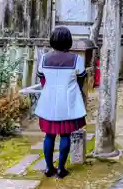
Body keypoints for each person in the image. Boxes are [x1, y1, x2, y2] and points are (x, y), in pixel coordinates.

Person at [35, 27, 87, 179]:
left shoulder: (44, 58)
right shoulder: (76, 59)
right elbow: (81, 78)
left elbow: (42, 78)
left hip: (48, 101)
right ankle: (61, 169)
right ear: (68, 41)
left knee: (49, 135)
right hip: (68, 102)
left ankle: (49, 168)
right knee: (65, 135)